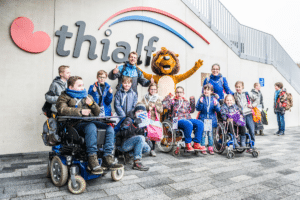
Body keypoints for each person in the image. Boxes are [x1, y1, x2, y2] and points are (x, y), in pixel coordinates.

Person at [56, 76, 123, 175]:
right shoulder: (64, 97)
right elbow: (61, 110)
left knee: (109, 128)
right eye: (79, 86)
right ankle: (92, 160)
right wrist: (80, 111)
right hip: (74, 125)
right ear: (70, 87)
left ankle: (107, 158)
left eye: (82, 85)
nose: (82, 87)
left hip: (89, 121)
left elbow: (97, 112)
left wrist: (91, 104)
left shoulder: (87, 96)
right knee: (91, 127)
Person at [162, 86, 204, 152]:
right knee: (188, 123)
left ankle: (196, 143)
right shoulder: (172, 101)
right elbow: (164, 105)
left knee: (200, 123)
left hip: (187, 119)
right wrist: (168, 97)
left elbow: (192, 110)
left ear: (183, 93)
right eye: (177, 92)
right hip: (177, 120)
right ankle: (188, 144)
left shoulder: (186, 101)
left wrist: (192, 101)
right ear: (175, 93)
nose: (179, 94)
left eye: (180, 92)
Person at [116, 103, 151, 171]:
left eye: (142, 111)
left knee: (147, 148)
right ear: (135, 112)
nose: (140, 113)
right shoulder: (129, 119)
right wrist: (134, 125)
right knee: (140, 138)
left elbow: (140, 136)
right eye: (138, 111)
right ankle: (137, 162)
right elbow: (124, 133)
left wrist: (146, 137)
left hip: (134, 143)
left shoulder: (143, 121)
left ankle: (129, 154)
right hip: (125, 143)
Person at [196, 84, 220, 155]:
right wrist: (200, 103)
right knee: (203, 134)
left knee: (210, 134)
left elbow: (218, 110)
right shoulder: (201, 98)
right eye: (205, 89)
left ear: (211, 91)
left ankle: (210, 147)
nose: (206, 91)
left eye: (208, 90)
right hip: (203, 119)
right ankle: (202, 147)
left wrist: (216, 105)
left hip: (211, 120)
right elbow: (198, 108)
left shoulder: (214, 99)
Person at [141, 83, 163, 157]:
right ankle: (143, 148)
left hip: (154, 120)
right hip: (146, 119)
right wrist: (147, 107)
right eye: (151, 89)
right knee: (144, 134)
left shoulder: (158, 99)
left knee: (153, 134)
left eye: (154, 89)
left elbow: (161, 110)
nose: (153, 91)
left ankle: (152, 150)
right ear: (149, 90)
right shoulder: (145, 98)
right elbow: (141, 106)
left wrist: (155, 106)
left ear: (156, 90)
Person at [234, 81, 256, 151]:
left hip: (248, 114)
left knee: (252, 130)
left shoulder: (247, 93)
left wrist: (252, 105)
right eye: (236, 87)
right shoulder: (234, 95)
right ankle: (242, 143)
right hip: (241, 115)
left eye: (239, 87)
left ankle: (251, 145)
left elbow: (257, 99)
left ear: (242, 87)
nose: (238, 88)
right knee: (242, 130)